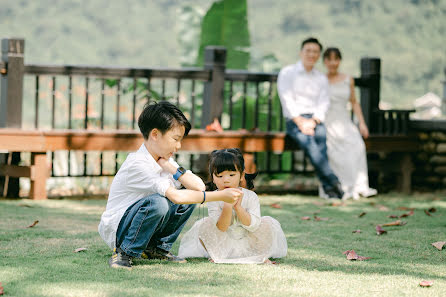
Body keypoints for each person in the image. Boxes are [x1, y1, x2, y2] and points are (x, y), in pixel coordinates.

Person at [98, 101, 243, 269]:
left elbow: (199, 187)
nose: (179, 146)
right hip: (120, 230)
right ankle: (124, 252)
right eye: (175, 139)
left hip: (143, 222)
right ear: (155, 134)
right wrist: (220, 195)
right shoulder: (137, 164)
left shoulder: (163, 160)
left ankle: (156, 248)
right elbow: (174, 196)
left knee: (186, 197)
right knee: (159, 202)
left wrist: (170, 167)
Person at [178, 148, 287, 264]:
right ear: (213, 178)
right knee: (204, 225)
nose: (226, 180)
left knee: (267, 224)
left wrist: (238, 208)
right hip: (224, 242)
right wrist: (227, 205)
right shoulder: (214, 198)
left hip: (248, 240)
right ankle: (218, 255)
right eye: (220, 176)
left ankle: (260, 256)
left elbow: (253, 226)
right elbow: (222, 227)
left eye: (231, 175)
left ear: (241, 176)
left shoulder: (251, 196)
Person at [277, 37, 344, 199]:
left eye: (315, 52)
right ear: (301, 52)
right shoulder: (287, 73)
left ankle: (330, 189)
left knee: (321, 144)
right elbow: (286, 99)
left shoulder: (321, 78)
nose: (311, 54)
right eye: (308, 50)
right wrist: (300, 121)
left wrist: (313, 121)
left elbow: (324, 102)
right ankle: (333, 181)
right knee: (309, 143)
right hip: (294, 120)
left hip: (315, 120)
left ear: (319, 55)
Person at [322, 47, 377, 199]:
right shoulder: (321, 79)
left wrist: (362, 123)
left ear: (339, 61)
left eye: (336, 59)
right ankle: (339, 186)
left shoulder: (348, 79)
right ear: (325, 61)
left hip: (345, 120)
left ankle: (359, 186)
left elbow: (354, 102)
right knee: (334, 152)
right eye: (329, 59)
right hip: (328, 121)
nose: (333, 63)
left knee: (357, 146)